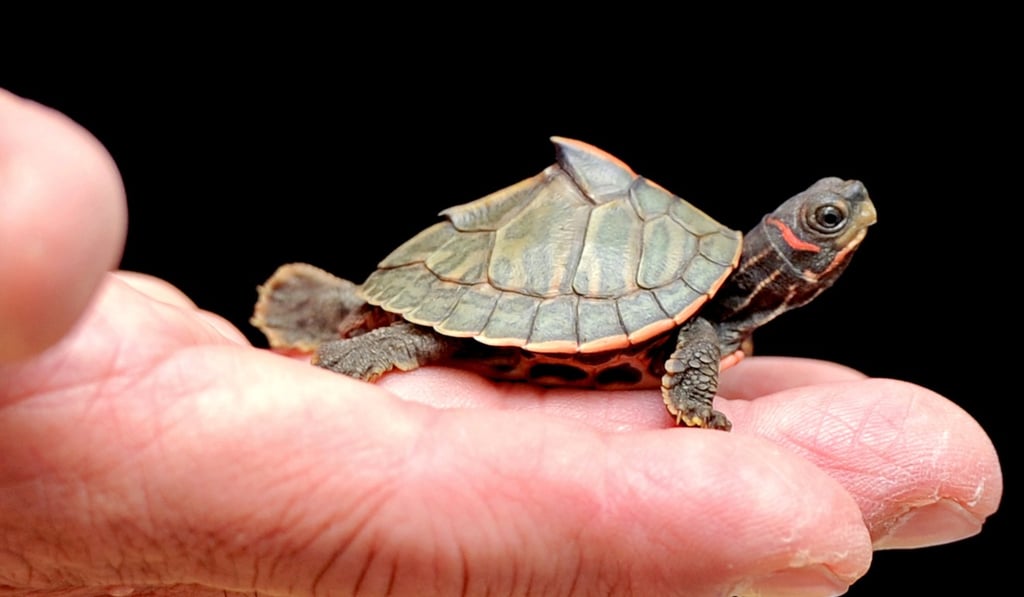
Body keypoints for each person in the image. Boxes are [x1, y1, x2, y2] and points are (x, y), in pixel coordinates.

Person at [0, 87, 1002, 596]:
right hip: (462, 298)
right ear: (783, 240)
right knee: (419, 344)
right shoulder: (704, 305)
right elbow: (692, 343)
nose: (842, 215)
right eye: (825, 218)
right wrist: (693, 398)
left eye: (833, 218)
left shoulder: (717, 284)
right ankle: (356, 327)